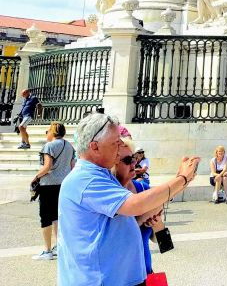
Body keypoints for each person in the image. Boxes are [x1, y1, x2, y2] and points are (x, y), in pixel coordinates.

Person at [58, 112, 198, 286]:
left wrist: (182, 181)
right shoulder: (86, 179)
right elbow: (135, 205)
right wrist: (182, 179)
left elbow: (134, 224)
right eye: (115, 144)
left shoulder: (102, 176)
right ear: (94, 147)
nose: (119, 151)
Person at [31, 121, 75, 260]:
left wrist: (35, 177)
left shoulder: (49, 146)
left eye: (48, 130)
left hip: (48, 184)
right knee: (57, 216)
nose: (47, 133)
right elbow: (72, 165)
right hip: (63, 184)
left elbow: (47, 166)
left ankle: (47, 251)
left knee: (45, 217)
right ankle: (59, 246)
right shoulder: (69, 146)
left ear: (53, 131)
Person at [113, 138, 155, 276]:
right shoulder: (107, 195)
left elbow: (162, 242)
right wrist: (140, 219)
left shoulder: (144, 188)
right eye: (127, 160)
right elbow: (115, 240)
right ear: (112, 164)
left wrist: (156, 222)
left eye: (133, 158)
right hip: (118, 277)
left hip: (146, 273)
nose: (133, 163)